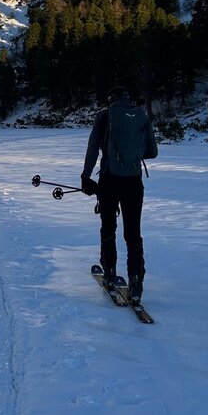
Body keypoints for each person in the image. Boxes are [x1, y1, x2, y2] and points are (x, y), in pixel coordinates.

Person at [80, 86, 158, 304]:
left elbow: (93, 147)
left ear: (110, 100)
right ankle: (135, 281)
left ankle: (110, 272)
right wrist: (130, 155)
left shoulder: (105, 116)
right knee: (133, 233)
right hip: (134, 181)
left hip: (109, 180)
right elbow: (152, 151)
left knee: (108, 227)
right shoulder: (140, 116)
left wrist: (86, 176)